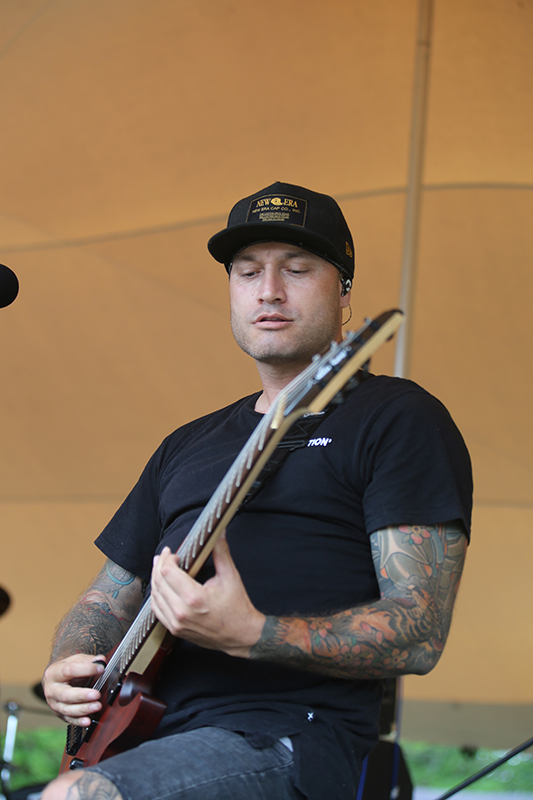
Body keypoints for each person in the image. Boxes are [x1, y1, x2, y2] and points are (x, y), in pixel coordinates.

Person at [42, 182, 472, 800]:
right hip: (144, 738)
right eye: (247, 273)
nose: (269, 290)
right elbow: (104, 601)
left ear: (344, 291)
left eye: (296, 269)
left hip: (288, 739)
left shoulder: (398, 418)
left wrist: (253, 632)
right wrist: (70, 666)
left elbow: (420, 628)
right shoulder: (187, 444)